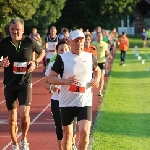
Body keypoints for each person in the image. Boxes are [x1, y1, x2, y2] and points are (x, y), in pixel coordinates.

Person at [48, 30, 100, 150]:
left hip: (84, 101)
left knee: (85, 132)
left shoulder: (89, 56)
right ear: (70, 41)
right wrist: (66, 81)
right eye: (76, 41)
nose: (79, 44)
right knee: (67, 136)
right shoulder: (62, 58)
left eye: (81, 41)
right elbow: (50, 78)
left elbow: (98, 70)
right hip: (67, 102)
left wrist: (96, 80)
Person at [0, 18, 45, 150]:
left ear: (23, 30)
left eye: (17, 29)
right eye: (12, 29)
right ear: (9, 30)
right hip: (10, 84)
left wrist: (35, 62)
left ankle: (24, 139)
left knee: (24, 115)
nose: (15, 32)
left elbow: (41, 51)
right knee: (12, 118)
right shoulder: (3, 43)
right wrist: (1, 63)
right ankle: (14, 143)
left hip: (25, 83)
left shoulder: (30, 42)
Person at [45, 39, 77, 150]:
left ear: (69, 50)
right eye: (61, 50)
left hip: (72, 100)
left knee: (72, 129)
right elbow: (46, 83)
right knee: (60, 129)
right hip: (57, 100)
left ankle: (72, 144)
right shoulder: (52, 65)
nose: (63, 52)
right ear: (57, 52)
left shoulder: (74, 63)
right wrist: (51, 87)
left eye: (66, 49)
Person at [92, 32, 112, 96]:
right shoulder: (93, 43)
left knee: (102, 77)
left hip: (102, 61)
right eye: (98, 36)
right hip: (95, 62)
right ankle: (93, 90)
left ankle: (100, 91)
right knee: (96, 77)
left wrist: (109, 55)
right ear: (96, 37)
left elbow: (106, 51)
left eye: (100, 36)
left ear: (102, 37)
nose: (99, 37)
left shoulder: (105, 44)